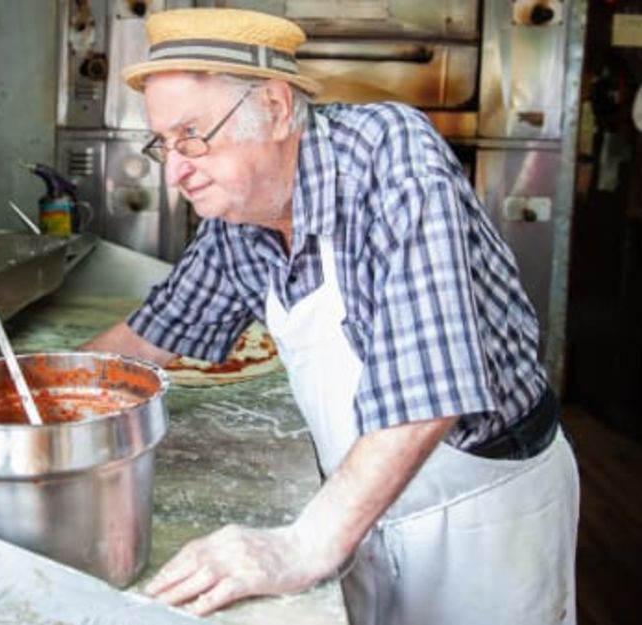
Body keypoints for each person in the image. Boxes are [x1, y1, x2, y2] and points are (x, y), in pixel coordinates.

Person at [82, 8, 580, 625]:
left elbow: (430, 393)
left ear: (276, 107)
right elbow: (149, 336)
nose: (177, 169)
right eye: (164, 143)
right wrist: (39, 395)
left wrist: (301, 546)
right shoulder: (243, 208)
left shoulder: (391, 155)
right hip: (360, 505)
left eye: (193, 134)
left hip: (480, 517)